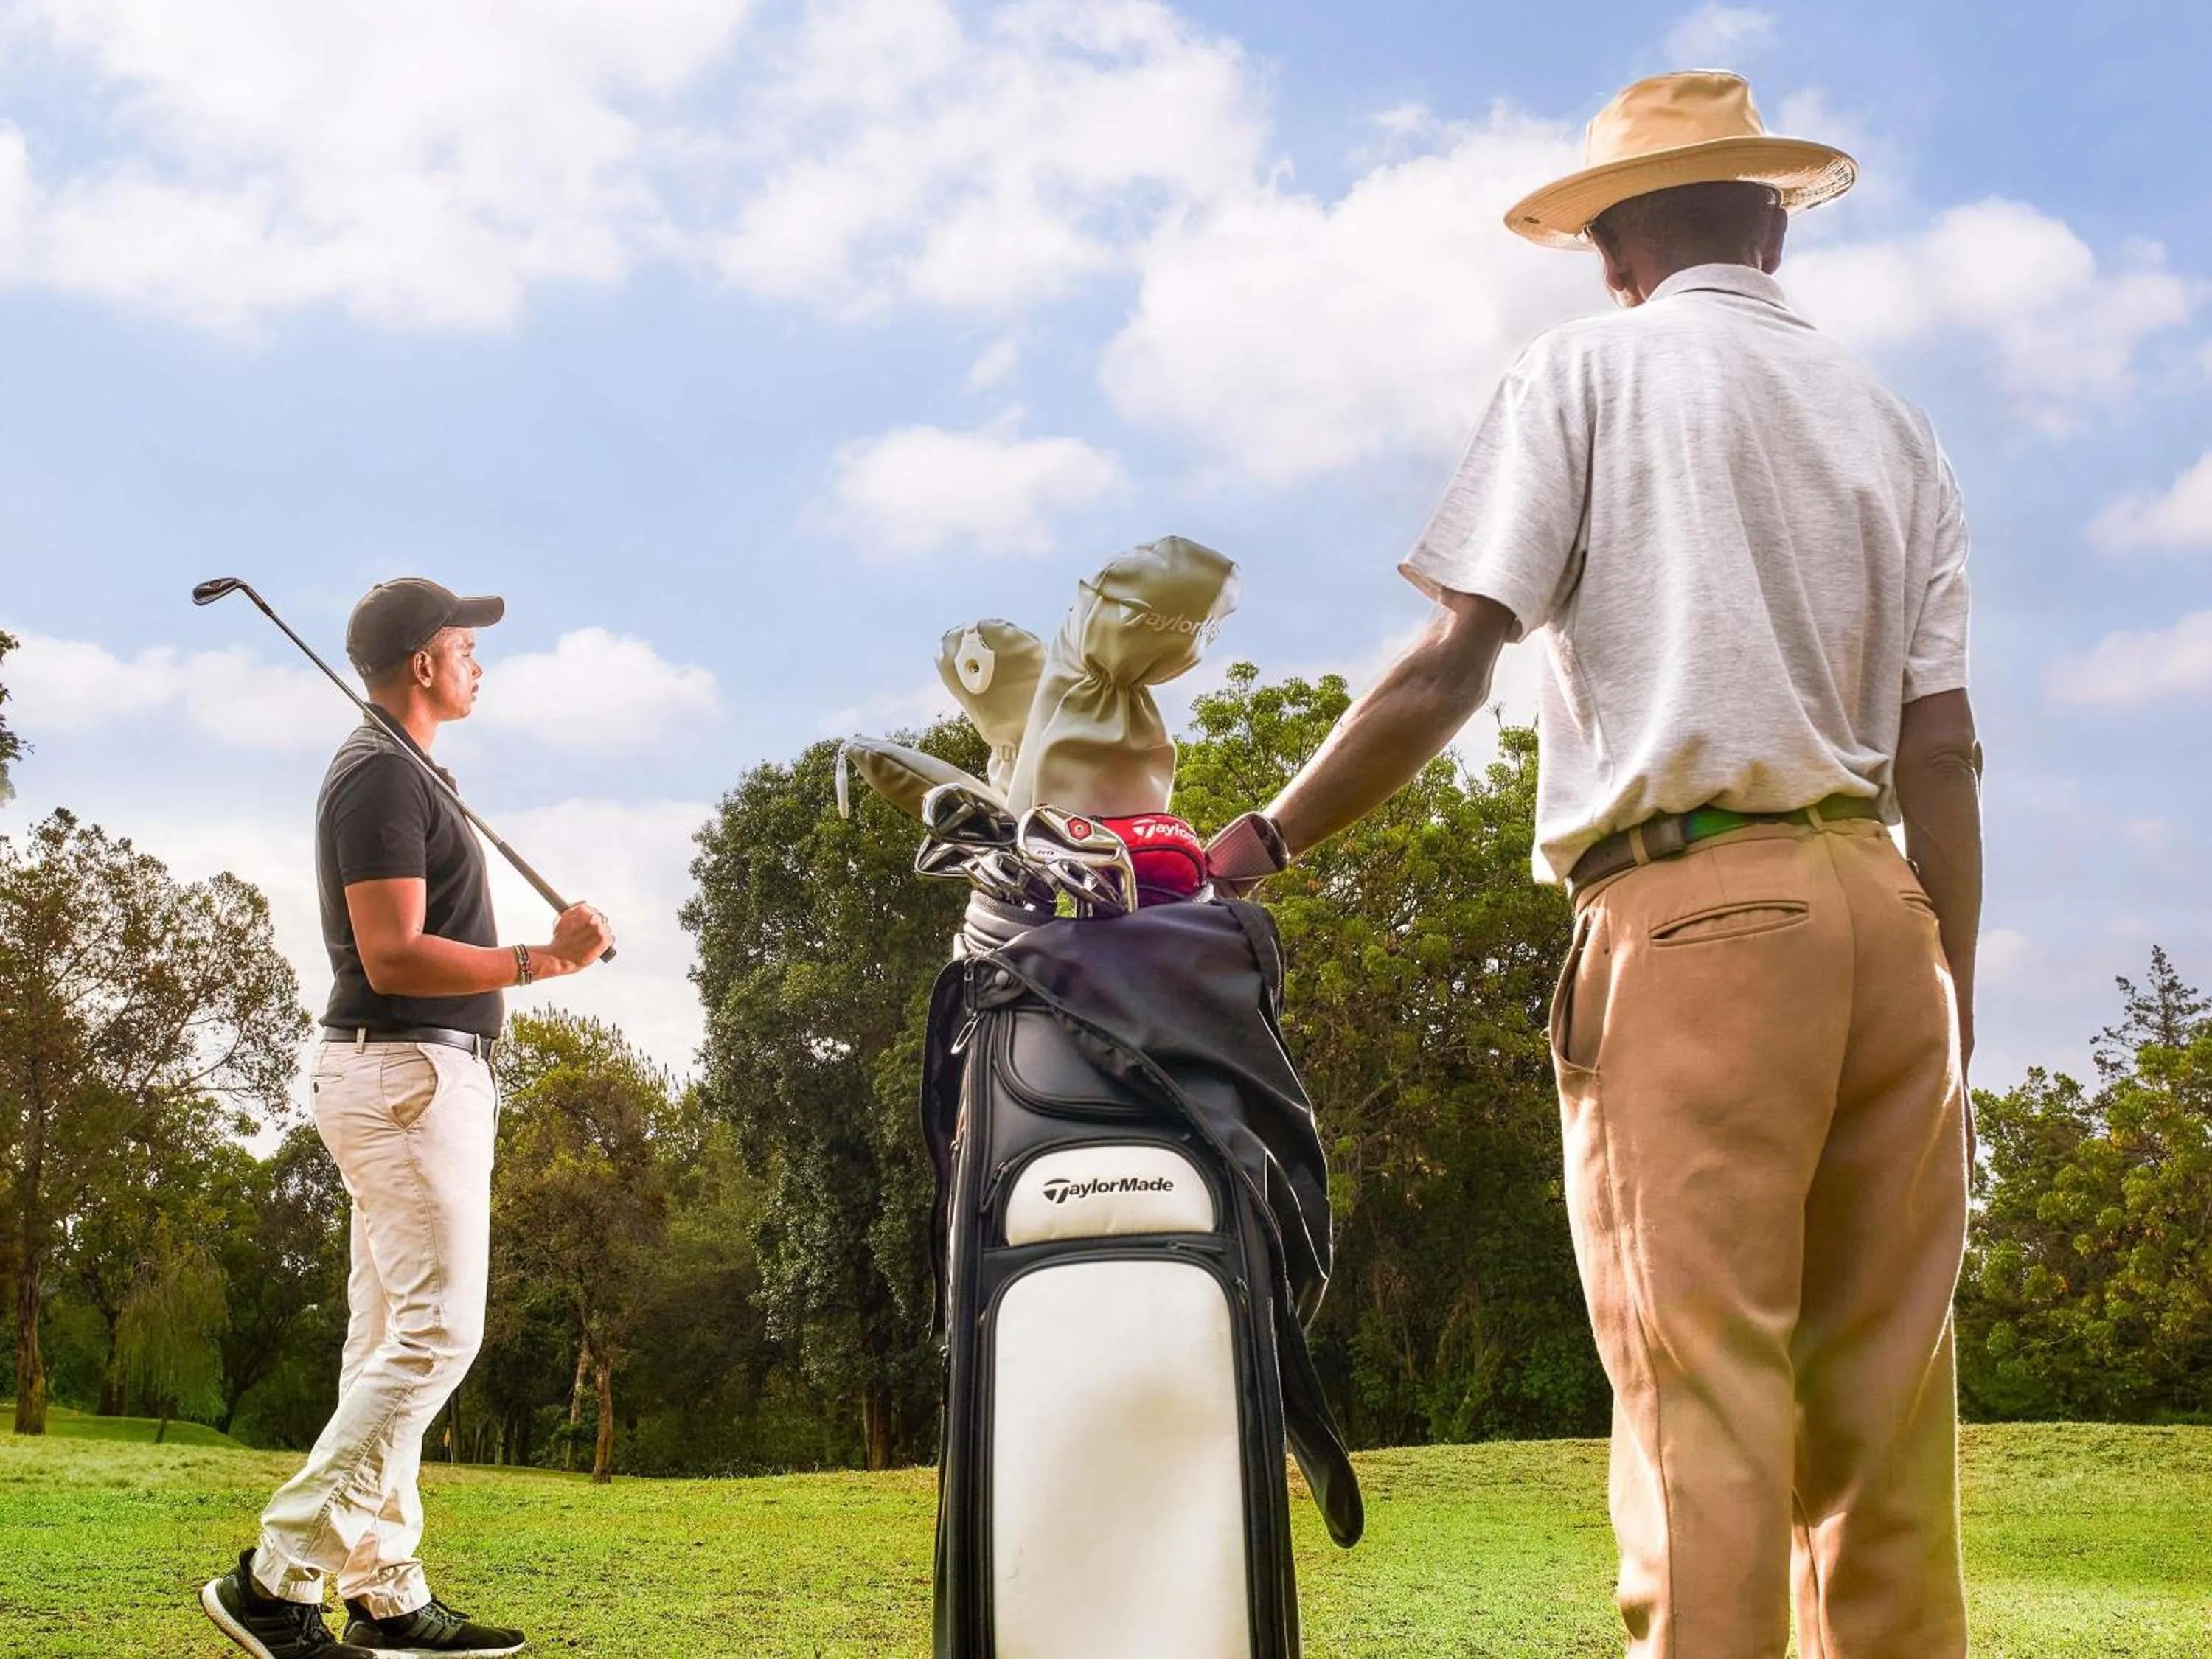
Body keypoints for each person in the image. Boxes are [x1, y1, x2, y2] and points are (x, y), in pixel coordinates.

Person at [1206, 71, 1980, 1659]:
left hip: (1696, 917)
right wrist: (1944, 997)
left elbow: (1450, 666)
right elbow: (1945, 752)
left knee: (1706, 1405)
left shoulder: (1584, 374)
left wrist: (1270, 835)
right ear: (1772, 228)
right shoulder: (1892, 425)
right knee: (1884, 1436)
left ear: (1611, 248)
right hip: (1892, 930)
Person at [202, 578, 614, 1659]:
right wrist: (544, 960)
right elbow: (392, 953)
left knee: (388, 1336)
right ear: (424, 662)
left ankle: (383, 1585)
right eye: (465, 643)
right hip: (405, 1075)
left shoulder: (408, 769)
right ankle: (274, 1576)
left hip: (420, 1074)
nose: (480, 659)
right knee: (437, 1333)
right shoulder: (379, 774)